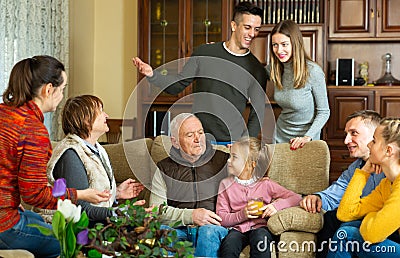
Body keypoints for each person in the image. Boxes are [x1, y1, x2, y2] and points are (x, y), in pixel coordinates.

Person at [0, 56, 110, 257]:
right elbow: (34, 195)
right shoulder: (33, 131)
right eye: (62, 89)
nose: (62, 96)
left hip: (9, 212)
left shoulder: (4, 114)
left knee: (38, 220)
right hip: (4, 225)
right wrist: (81, 194)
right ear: (48, 90)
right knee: (70, 243)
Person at [133, 2, 267, 145]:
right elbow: (177, 86)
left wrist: (244, 144)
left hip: (232, 144)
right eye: (247, 28)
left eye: (256, 29)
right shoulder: (204, 53)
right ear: (234, 26)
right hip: (200, 141)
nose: (252, 34)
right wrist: (152, 74)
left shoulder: (257, 70)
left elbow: (257, 113)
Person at [46, 95, 145, 226]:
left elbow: (92, 196)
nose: (107, 115)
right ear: (86, 119)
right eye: (100, 111)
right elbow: (80, 211)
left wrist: (116, 193)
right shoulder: (70, 154)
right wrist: (121, 212)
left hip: (98, 224)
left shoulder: (97, 149)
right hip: (72, 229)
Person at [300, 110, 385, 257]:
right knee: (332, 218)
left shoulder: (390, 167)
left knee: (346, 228)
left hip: (385, 225)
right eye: (346, 134)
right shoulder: (356, 166)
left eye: (354, 133)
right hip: (367, 220)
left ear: (374, 135)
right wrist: (318, 197)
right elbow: (337, 192)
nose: (346, 141)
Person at [150, 113, 229, 257]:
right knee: (161, 232)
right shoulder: (164, 168)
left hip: (212, 229)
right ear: (175, 142)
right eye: (190, 135)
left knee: (207, 232)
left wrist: (243, 150)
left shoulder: (224, 160)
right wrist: (191, 216)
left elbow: (250, 182)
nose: (198, 139)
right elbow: (156, 211)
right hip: (179, 229)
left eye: (200, 133)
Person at [216, 137, 302, 257]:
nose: (228, 161)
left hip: (262, 227)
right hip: (237, 229)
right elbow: (221, 217)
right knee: (229, 245)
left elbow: (297, 198)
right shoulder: (225, 184)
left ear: (251, 164)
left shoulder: (266, 184)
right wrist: (242, 214)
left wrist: (276, 206)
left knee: (260, 239)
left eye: (234, 157)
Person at [327, 117, 400, 257]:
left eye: (374, 141)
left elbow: (373, 234)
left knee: (346, 235)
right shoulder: (387, 184)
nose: (369, 145)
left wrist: (372, 216)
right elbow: (345, 214)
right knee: (348, 226)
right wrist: (363, 173)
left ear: (388, 151)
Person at [266, 19, 330, 149]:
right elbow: (250, 70)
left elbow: (324, 112)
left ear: (295, 43)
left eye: (284, 44)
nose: (279, 50)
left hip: (305, 140)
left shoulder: (313, 72)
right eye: (275, 45)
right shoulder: (275, 69)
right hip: (279, 137)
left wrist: (307, 137)